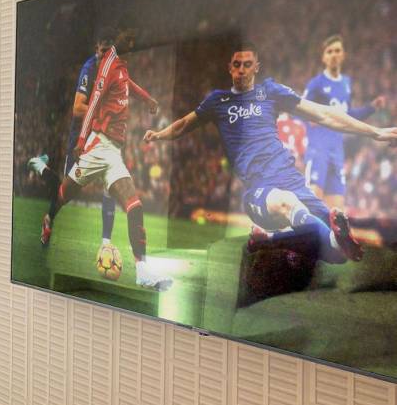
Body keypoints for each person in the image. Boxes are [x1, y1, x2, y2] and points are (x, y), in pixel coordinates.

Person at [143, 42, 397, 263]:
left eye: (247, 64)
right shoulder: (218, 101)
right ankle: (322, 237)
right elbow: (184, 124)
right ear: (229, 68)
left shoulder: (271, 92)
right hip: (259, 191)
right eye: (236, 64)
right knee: (289, 203)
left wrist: (375, 132)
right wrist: (159, 135)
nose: (241, 69)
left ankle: (272, 239)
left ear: (257, 67)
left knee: (338, 255)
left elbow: (324, 114)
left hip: (293, 181)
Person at [29, 37, 172, 291]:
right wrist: (82, 140)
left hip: (113, 152)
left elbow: (126, 83)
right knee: (63, 193)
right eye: (103, 49)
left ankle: (141, 270)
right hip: (95, 145)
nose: (105, 53)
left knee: (135, 206)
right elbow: (88, 105)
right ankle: (48, 211)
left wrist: (148, 99)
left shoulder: (120, 65)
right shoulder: (100, 66)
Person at [301, 35, 388, 209]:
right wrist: (308, 119)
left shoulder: (346, 83)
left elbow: (347, 116)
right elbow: (299, 108)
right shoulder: (316, 84)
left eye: (337, 50)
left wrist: (371, 107)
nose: (334, 54)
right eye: (329, 51)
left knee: (338, 212)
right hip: (319, 149)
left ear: (343, 55)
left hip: (337, 151)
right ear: (323, 57)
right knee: (313, 204)